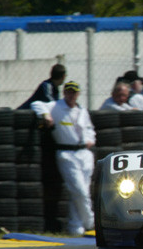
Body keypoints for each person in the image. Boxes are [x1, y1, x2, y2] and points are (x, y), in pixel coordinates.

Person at [30, 81, 96, 236]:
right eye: (69, 92)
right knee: (79, 190)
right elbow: (36, 104)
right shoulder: (56, 107)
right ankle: (91, 222)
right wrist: (46, 116)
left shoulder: (82, 110)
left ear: (78, 94)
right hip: (66, 154)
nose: (71, 95)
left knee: (80, 192)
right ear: (65, 92)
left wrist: (90, 139)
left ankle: (76, 227)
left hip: (84, 154)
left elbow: (89, 129)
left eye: (74, 92)